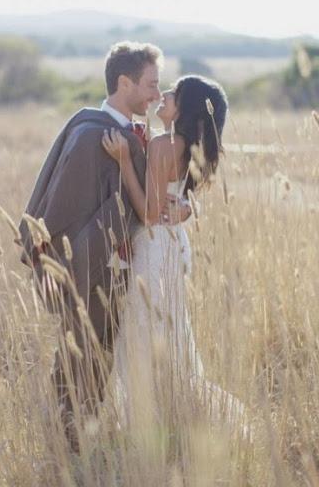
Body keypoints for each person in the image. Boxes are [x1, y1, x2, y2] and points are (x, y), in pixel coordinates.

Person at [18, 41, 190, 448]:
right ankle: (67, 440)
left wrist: (178, 204)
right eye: (150, 85)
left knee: (104, 351)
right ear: (124, 82)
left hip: (127, 264)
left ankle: (84, 435)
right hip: (92, 261)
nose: (155, 94)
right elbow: (61, 205)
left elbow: (146, 197)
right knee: (81, 348)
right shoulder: (90, 132)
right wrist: (71, 259)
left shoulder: (136, 133)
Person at [102, 75, 243, 430]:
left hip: (154, 247)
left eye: (174, 94)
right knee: (167, 331)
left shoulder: (165, 145)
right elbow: (176, 199)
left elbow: (148, 213)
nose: (164, 95)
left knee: (142, 331)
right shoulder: (184, 147)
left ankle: (148, 421)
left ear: (186, 108)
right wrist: (186, 205)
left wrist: (121, 161)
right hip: (173, 244)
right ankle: (172, 416)